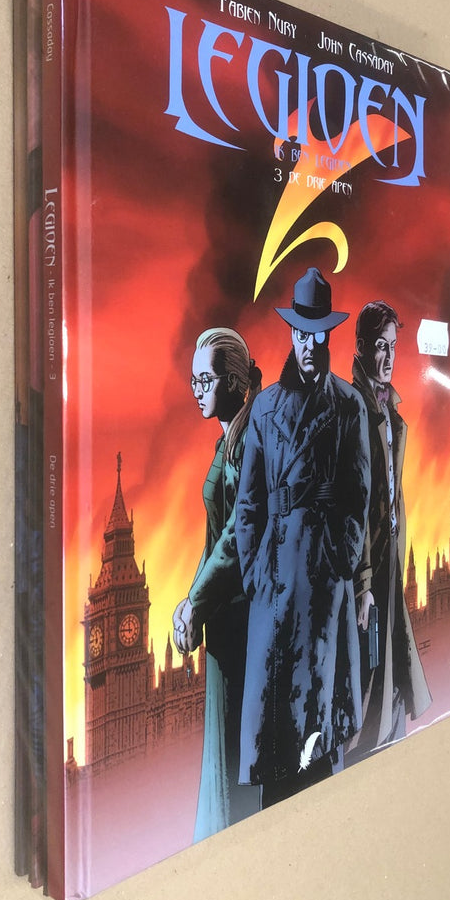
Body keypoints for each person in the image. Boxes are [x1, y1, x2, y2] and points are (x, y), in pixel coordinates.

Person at [235, 267, 371, 808]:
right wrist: (255, 575)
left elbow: (358, 499)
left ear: (328, 335)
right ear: (291, 333)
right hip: (274, 591)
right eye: (301, 333)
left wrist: (339, 560)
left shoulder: (348, 406)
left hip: (323, 588)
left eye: (318, 333)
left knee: (322, 736)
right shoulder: (264, 408)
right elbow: (248, 505)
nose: (310, 344)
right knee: (277, 743)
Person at [172, 327, 262, 840]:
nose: (197, 390)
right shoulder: (228, 440)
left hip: (244, 625)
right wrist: (190, 603)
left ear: (232, 381)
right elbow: (214, 539)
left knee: (235, 759)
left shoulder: (250, 442)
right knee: (223, 755)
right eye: (193, 381)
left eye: (204, 380)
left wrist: (196, 604)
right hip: (223, 623)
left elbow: (236, 538)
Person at [347, 300, 431, 761]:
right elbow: (355, 504)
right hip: (368, 563)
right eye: (380, 346)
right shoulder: (355, 409)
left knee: (391, 659)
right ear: (362, 347)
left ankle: (391, 740)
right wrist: (362, 584)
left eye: (393, 346)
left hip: (390, 557)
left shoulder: (387, 407)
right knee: (369, 668)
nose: (388, 357)